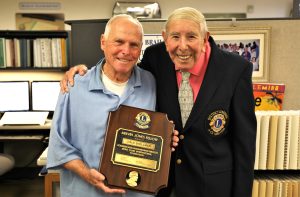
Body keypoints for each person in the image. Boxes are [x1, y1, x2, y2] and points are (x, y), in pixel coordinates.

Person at [61, 7, 257, 197]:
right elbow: (122, 64)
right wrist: (85, 72)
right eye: (175, 37)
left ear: (205, 38)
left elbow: (244, 145)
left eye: (191, 36)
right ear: (164, 38)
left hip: (211, 186)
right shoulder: (156, 58)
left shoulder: (235, 69)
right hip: (159, 184)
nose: (182, 46)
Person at [47, 14, 178, 197]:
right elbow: (58, 146)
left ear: (141, 48)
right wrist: (87, 174)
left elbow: (159, 131)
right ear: (103, 42)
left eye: (134, 45)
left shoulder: (151, 82)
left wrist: (166, 139)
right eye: (119, 42)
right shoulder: (74, 86)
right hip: (86, 192)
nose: (126, 50)